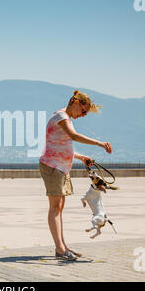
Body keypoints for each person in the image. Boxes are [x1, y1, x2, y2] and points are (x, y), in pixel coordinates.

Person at [39, 90, 112, 261]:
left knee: (59, 208)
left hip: (61, 168)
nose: (83, 115)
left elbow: (62, 145)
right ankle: (60, 249)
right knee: (55, 208)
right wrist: (100, 144)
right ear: (76, 103)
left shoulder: (66, 119)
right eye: (84, 111)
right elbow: (73, 136)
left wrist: (81, 157)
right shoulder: (61, 117)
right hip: (52, 167)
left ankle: (62, 246)